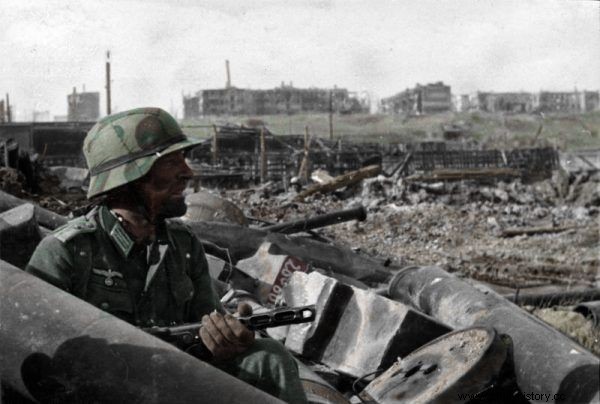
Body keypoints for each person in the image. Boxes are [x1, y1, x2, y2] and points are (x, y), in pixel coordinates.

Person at [26, 107, 307, 403]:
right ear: (129, 177)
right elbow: (36, 356)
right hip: (105, 392)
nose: (188, 172)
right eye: (172, 161)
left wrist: (228, 340)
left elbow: (205, 327)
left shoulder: (182, 245)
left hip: (174, 381)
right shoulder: (67, 251)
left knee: (268, 358)